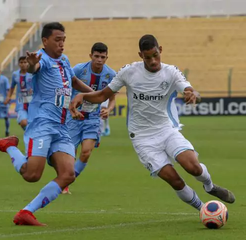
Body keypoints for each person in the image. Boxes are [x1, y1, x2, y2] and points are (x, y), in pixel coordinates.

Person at [69, 35, 235, 211]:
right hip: (142, 137)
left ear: (160, 50)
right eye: (148, 57)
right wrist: (83, 96)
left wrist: (194, 95)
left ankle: (209, 186)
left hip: (166, 129)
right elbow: (102, 95)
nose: (153, 61)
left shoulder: (170, 72)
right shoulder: (129, 72)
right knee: (174, 180)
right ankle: (204, 210)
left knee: (193, 166)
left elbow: (192, 91)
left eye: (156, 55)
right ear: (141, 55)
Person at [0, 22, 93, 226]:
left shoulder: (64, 60)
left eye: (64, 40)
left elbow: (73, 82)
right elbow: (34, 68)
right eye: (57, 40)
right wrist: (32, 63)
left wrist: (99, 94)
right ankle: (9, 146)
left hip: (61, 127)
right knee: (32, 175)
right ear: (45, 41)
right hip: (43, 125)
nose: (62, 44)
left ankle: (26, 212)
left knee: (68, 174)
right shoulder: (41, 58)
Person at [62, 42, 116, 194]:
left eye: (102, 57)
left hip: (93, 118)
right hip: (74, 117)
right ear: (90, 56)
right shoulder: (79, 69)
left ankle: (68, 180)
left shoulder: (110, 75)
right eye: (96, 56)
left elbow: (112, 98)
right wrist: (70, 107)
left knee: (86, 152)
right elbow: (66, 86)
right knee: (69, 152)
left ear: (106, 58)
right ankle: (64, 180)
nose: (99, 60)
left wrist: (109, 109)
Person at [4, 57, 33, 131]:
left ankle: (31, 136)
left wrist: (33, 89)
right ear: (19, 64)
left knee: (33, 123)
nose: (23, 64)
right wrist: (8, 97)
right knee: (23, 122)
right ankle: (30, 135)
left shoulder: (32, 73)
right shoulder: (15, 74)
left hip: (33, 102)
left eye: (25, 62)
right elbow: (12, 87)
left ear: (28, 63)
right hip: (20, 103)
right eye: (21, 62)